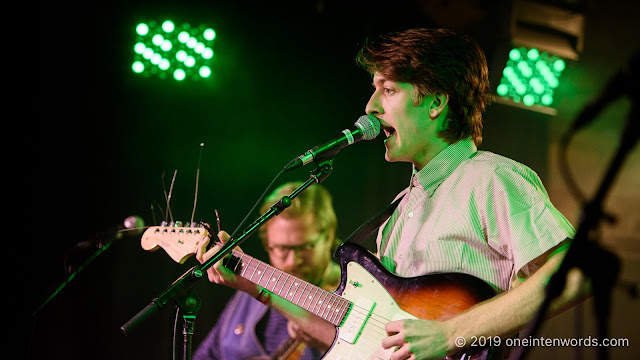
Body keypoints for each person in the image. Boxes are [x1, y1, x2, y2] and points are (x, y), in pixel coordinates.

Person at [197, 28, 591, 360]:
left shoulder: (491, 178)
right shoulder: (399, 212)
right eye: (374, 90)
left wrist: (449, 333)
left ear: (436, 102)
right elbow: (364, 337)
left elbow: (574, 274)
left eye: (388, 90)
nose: (369, 107)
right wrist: (249, 278)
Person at [193, 182, 341, 360]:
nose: (294, 261)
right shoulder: (250, 286)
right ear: (266, 243)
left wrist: (325, 340)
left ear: (329, 235)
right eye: (282, 249)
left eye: (305, 247)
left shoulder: (350, 292)